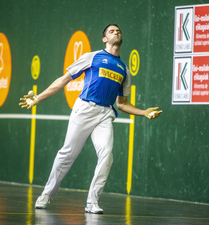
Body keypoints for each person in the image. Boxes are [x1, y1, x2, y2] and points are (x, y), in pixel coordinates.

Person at [19, 24, 162, 214]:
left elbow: (122, 103)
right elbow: (64, 80)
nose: (116, 32)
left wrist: (144, 112)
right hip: (84, 109)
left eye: (118, 31)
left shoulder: (124, 71)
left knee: (107, 155)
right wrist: (37, 97)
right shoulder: (92, 57)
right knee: (67, 153)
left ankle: (92, 202)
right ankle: (46, 194)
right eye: (111, 31)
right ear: (104, 39)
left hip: (105, 115)